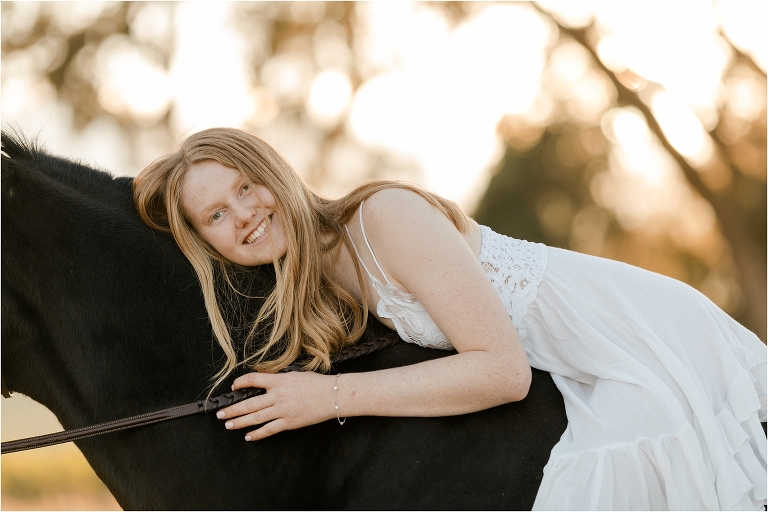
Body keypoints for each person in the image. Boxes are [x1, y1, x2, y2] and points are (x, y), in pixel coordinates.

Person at [133, 127, 766, 510]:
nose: (241, 215)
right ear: (208, 244)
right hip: (579, 373)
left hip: (640, 343)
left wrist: (328, 397)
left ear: (277, 174)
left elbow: (504, 371)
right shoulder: (318, 288)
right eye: (215, 215)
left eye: (245, 187)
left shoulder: (384, 219)